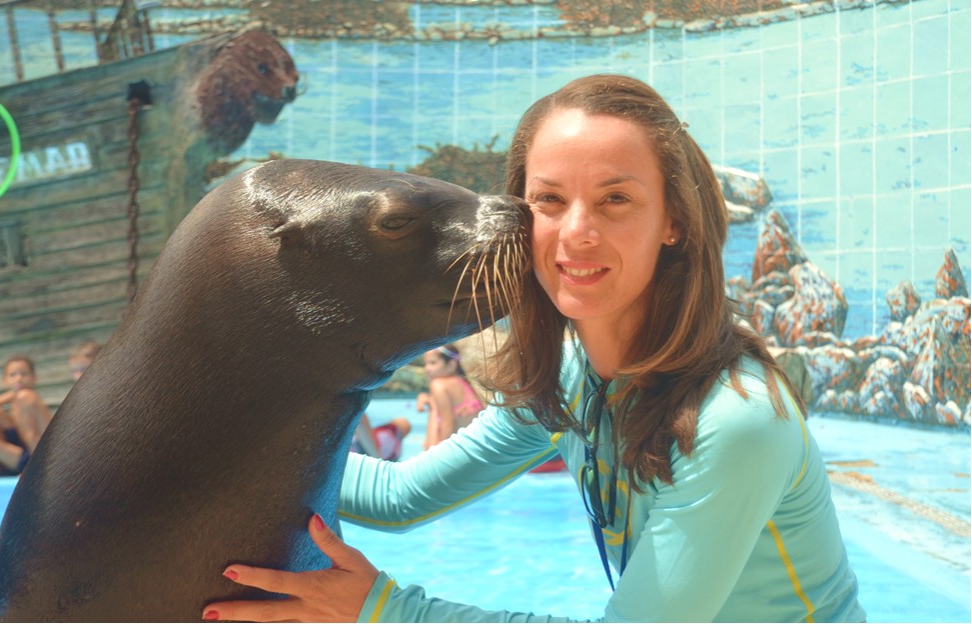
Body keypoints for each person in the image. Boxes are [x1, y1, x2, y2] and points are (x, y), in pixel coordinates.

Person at [201, 74, 865, 622]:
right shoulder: (576, 377)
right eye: (549, 200)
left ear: (674, 223)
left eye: (615, 200)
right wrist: (228, 448)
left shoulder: (739, 422)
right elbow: (401, 497)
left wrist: (388, 612)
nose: (575, 234)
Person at [0, 355, 53, 478]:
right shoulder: (12, 396)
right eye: (13, 375)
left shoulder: (27, 396)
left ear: (33, 379)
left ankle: (34, 468)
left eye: (23, 374)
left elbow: (32, 437)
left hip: (42, 455)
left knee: (7, 406)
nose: (18, 378)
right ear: (4, 381)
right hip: (20, 456)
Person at [418, 344, 485, 449]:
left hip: (458, 450)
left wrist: (435, 457)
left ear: (451, 365)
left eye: (433, 363)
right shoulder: (463, 383)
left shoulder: (438, 385)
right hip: (477, 447)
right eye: (425, 364)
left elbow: (448, 427)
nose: (427, 369)